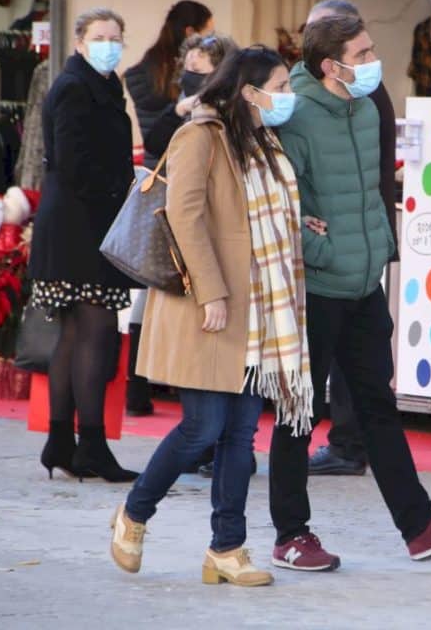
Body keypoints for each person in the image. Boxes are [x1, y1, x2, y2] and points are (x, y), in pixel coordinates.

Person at [268, 15, 431, 571]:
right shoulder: (294, 117)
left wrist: (378, 250)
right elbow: (274, 208)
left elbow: (370, 192)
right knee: (300, 413)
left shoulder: (365, 109)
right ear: (330, 65)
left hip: (364, 285)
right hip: (316, 289)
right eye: (362, 52)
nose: (373, 61)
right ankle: (291, 535)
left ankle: (420, 526)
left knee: (377, 407)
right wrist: (318, 250)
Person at [109, 46, 314, 587]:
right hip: (211, 305)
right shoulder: (198, 137)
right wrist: (212, 292)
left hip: (257, 309)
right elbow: (186, 215)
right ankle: (134, 514)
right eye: (281, 86)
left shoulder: (262, 142)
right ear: (249, 92)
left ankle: (227, 548)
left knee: (240, 435)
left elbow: (252, 216)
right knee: (203, 428)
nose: (287, 97)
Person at [28, 8, 138, 483]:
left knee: (77, 333)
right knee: (96, 331)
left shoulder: (103, 86)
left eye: (116, 37)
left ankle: (61, 441)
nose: (108, 44)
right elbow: (74, 163)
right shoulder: (75, 87)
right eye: (99, 36)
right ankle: (88, 444)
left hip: (81, 224)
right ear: (78, 41)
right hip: (81, 226)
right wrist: (123, 189)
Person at [300, 0, 398, 477]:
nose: (371, 60)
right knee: (330, 368)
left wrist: (371, 240)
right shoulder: (300, 107)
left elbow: (371, 179)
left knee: (362, 372)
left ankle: (349, 444)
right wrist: (314, 239)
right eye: (362, 52)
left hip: (356, 255)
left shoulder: (366, 99)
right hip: (335, 257)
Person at [123, 3, 216, 417]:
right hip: (167, 188)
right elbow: (157, 136)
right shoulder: (165, 83)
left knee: (154, 284)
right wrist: (181, 108)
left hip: (160, 186)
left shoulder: (148, 74)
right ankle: (142, 383)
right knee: (161, 283)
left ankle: (139, 384)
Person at [124, 0, 213, 168]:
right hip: (178, 168)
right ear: (190, 32)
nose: (211, 41)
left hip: (157, 169)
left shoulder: (145, 70)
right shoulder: (188, 79)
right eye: (208, 34)